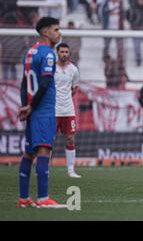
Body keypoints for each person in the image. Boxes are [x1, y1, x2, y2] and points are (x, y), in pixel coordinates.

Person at [17, 16, 65, 208]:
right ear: (45, 32)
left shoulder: (30, 52)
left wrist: (25, 106)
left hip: (32, 110)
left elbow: (23, 84)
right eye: (56, 29)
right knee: (44, 150)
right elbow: (44, 83)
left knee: (29, 153)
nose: (59, 33)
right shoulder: (48, 54)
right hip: (42, 109)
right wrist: (32, 106)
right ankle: (43, 199)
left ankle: (23, 198)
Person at [55, 43, 81, 178]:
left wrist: (65, 98)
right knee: (49, 141)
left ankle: (71, 170)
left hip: (68, 110)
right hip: (53, 111)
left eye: (66, 52)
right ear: (57, 53)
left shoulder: (73, 70)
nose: (64, 54)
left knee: (70, 139)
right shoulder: (51, 68)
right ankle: (44, 170)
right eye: (62, 51)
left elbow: (75, 88)